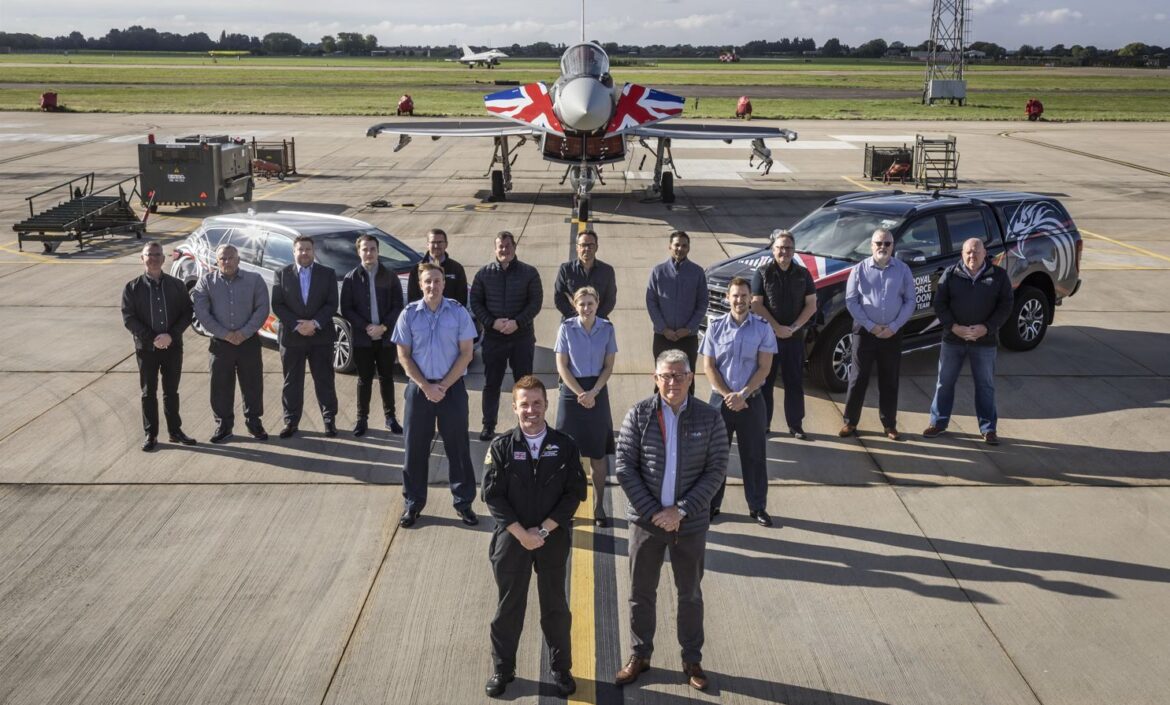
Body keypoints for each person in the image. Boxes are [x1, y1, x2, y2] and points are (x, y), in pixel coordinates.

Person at [614, 350, 727, 691]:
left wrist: (681, 510)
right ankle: (639, 655)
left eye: (679, 375)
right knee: (640, 593)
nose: (672, 382)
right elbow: (624, 467)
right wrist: (654, 513)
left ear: (692, 378)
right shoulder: (639, 415)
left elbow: (716, 469)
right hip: (646, 523)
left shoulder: (710, 419)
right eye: (666, 375)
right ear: (655, 378)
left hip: (689, 525)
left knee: (690, 594)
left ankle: (692, 659)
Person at [481, 376, 587, 698]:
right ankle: (503, 669)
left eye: (537, 403)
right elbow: (492, 496)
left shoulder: (565, 446)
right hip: (511, 540)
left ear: (546, 404)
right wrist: (520, 533)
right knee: (509, 606)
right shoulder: (501, 447)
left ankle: (561, 668)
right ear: (514, 407)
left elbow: (574, 494)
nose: (531, 410)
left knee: (555, 605)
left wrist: (541, 531)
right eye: (524, 404)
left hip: (550, 539)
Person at [391, 262, 479, 528]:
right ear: (420, 284)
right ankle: (413, 504)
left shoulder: (458, 313)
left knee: (458, 449)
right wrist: (426, 387)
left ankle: (463, 503)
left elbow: (467, 353)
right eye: (427, 281)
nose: (433, 286)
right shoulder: (408, 315)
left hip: (451, 390)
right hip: (419, 390)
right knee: (415, 451)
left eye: (437, 281)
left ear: (444, 283)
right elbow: (403, 356)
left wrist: (442, 386)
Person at [702, 277, 777, 526]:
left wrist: (743, 395)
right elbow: (709, 367)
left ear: (750, 298)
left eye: (744, 296)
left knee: (754, 456)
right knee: (716, 456)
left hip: (751, 402)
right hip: (720, 402)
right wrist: (727, 396)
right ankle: (712, 505)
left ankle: (757, 507)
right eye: (735, 295)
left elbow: (764, 368)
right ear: (727, 298)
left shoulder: (763, 328)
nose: (739, 300)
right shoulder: (715, 327)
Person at [924, 238, 1013, 445]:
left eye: (976, 252)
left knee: (985, 386)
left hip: (984, 341)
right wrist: (954, 327)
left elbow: (1006, 305)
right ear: (962, 254)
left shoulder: (998, 276)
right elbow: (940, 304)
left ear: (985, 253)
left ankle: (988, 428)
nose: (972, 256)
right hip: (953, 339)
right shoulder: (951, 274)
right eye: (968, 253)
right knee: (944, 383)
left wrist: (986, 328)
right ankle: (937, 423)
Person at [840, 228, 916, 440]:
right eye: (878, 243)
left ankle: (889, 425)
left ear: (893, 246)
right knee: (857, 379)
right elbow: (851, 301)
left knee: (889, 380)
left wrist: (894, 326)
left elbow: (910, 300)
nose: (883, 247)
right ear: (871, 245)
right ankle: (850, 422)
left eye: (887, 244)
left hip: (892, 334)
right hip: (865, 333)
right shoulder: (859, 270)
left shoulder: (903, 270)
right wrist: (871, 326)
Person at [192, 243, 271, 443]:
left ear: (238, 259)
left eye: (230, 257)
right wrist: (225, 334)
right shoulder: (206, 282)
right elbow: (202, 313)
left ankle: (254, 423)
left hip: (249, 342)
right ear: (217, 261)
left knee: (252, 384)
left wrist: (243, 333)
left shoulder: (255, 280)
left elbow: (262, 309)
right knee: (220, 386)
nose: (226, 262)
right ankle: (223, 426)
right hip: (220, 344)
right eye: (222, 259)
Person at [121, 241, 195, 451]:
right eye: (148, 255)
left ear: (164, 259)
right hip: (147, 349)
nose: (153, 258)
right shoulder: (132, 288)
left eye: (157, 254)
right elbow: (129, 318)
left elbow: (187, 313)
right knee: (148, 392)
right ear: (142, 259)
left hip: (173, 347)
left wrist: (171, 336)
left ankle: (175, 431)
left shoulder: (176, 285)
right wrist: (154, 338)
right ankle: (151, 434)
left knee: (171, 391)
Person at [470, 231, 543, 440]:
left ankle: (526, 425)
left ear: (514, 247)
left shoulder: (530, 273)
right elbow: (476, 302)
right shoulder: (483, 274)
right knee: (491, 384)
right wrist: (492, 322)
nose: (504, 250)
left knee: (525, 386)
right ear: (495, 249)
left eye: (508, 246)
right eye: (500, 246)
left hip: (522, 338)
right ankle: (488, 425)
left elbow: (535, 303)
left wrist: (517, 323)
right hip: (494, 339)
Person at [554, 286, 617, 527]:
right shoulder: (566, 328)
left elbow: (609, 366)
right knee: (567, 454)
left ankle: (599, 506)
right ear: (575, 306)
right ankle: (566, 506)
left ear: (597, 304)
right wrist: (581, 393)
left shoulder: (607, 329)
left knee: (597, 454)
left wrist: (594, 392)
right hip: (572, 392)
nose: (586, 308)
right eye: (582, 304)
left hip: (597, 390)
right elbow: (561, 366)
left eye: (590, 303)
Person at [271, 235, 339, 439]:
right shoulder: (282, 274)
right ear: (294, 252)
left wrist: (314, 323)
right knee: (292, 382)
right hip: (293, 338)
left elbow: (331, 303)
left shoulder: (327, 274)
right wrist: (296, 325)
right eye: (300, 249)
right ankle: (291, 422)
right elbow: (278, 304)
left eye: (308, 249)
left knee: (325, 380)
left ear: (313, 251)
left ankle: (329, 420)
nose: (304, 253)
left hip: (320, 337)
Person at [750, 230, 817, 439]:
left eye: (788, 248)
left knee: (794, 383)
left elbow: (811, 305)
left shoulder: (803, 274)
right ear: (773, 250)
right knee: (765, 383)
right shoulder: (761, 273)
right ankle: (764, 424)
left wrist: (794, 328)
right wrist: (776, 327)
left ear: (794, 250)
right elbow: (756, 304)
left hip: (794, 339)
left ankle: (795, 425)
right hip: (768, 339)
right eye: (780, 248)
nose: (784, 252)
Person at [340, 234, 405, 436]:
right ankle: (362, 419)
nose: (369, 253)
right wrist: (366, 326)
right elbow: (347, 309)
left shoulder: (390, 276)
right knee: (364, 380)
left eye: (373, 249)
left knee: (387, 378)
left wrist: (384, 327)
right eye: (365, 249)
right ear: (359, 252)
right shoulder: (351, 278)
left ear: (378, 251)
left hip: (385, 339)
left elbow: (397, 305)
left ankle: (390, 418)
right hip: (362, 339)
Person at [645, 230, 708, 395]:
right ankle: (659, 416)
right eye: (676, 245)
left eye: (684, 245)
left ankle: (687, 415)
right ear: (670, 247)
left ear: (689, 248)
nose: (680, 248)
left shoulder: (697, 272)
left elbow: (702, 303)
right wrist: (663, 328)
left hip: (687, 337)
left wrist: (688, 329)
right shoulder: (658, 271)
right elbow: (651, 302)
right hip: (662, 337)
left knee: (687, 379)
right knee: (662, 378)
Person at [553, 229, 617, 320]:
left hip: (599, 323)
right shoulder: (565, 269)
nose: (587, 249)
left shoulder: (607, 271)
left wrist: (593, 319)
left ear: (596, 247)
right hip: (572, 323)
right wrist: (578, 318)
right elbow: (559, 298)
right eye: (583, 245)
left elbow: (610, 300)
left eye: (591, 245)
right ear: (577, 248)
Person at [406, 228, 469, 309]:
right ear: (427, 245)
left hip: (450, 317)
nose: (436, 245)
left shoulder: (457, 268)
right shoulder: (416, 270)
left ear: (446, 244)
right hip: (424, 318)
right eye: (433, 242)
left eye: (440, 242)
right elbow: (412, 299)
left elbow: (462, 298)